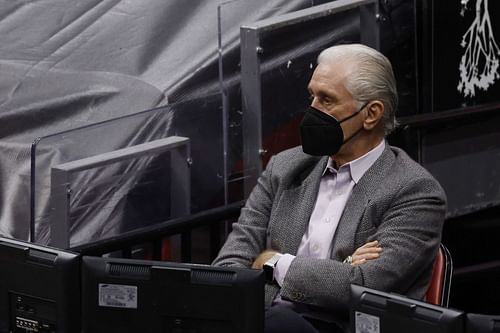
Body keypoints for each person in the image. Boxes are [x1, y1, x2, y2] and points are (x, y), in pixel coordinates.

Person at [212, 43, 446, 333]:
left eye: (326, 100)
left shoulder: (414, 190)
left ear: (371, 114)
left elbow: (364, 285)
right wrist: (343, 267)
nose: (312, 111)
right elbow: (229, 265)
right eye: (312, 97)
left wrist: (271, 262)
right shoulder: (285, 167)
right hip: (266, 318)